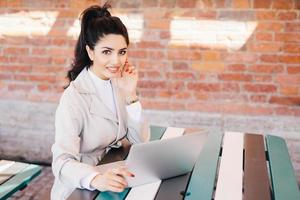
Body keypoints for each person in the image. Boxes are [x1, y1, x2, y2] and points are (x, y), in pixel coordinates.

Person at [51, 3, 149, 199]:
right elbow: (61, 161)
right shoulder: (74, 97)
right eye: (107, 52)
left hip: (113, 171)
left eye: (122, 52)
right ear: (90, 52)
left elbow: (141, 141)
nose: (116, 61)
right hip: (81, 186)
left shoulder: (119, 84)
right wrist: (95, 178)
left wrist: (131, 95)